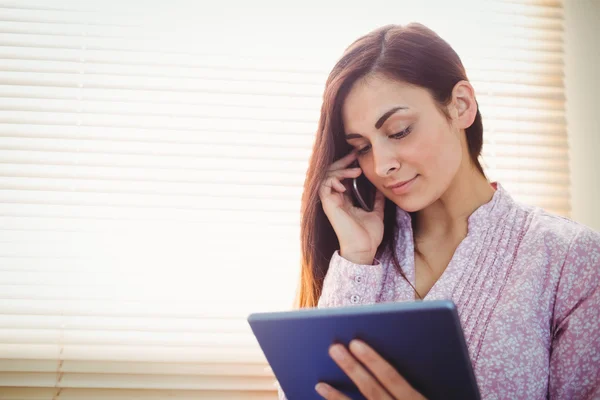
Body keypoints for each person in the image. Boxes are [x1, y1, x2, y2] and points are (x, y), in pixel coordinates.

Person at [277, 23, 600, 400]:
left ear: (461, 105)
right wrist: (355, 259)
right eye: (362, 147)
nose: (381, 166)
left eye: (399, 131)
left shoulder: (570, 259)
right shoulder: (359, 259)